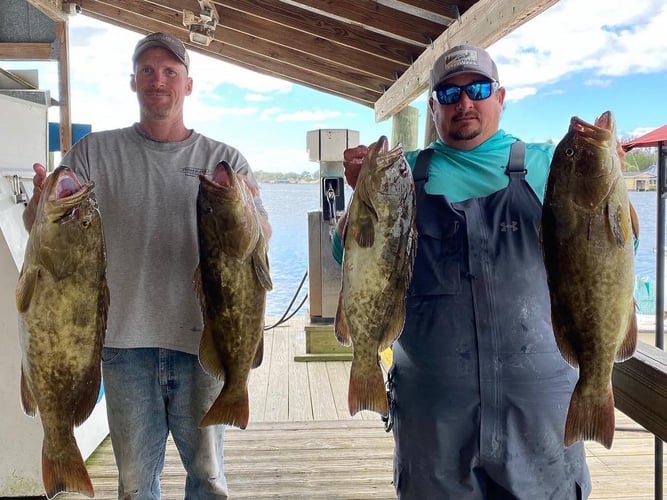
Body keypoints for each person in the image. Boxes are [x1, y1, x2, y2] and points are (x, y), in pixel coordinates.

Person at [333, 44, 592, 499]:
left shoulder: (548, 164)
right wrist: (360, 199)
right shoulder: (403, 172)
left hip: (540, 415)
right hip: (435, 419)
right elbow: (347, 257)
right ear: (433, 107)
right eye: (448, 94)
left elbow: (609, 252)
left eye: (477, 88)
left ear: (501, 96)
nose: (464, 103)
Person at [23, 32, 270, 499]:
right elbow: (40, 224)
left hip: (202, 341)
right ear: (133, 82)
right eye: (148, 71)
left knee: (209, 479)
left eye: (170, 72)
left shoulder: (225, 161)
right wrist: (38, 202)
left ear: (188, 85)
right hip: (122, 346)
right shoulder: (93, 153)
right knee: (135, 485)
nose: (159, 81)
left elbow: (259, 244)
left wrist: (255, 213)